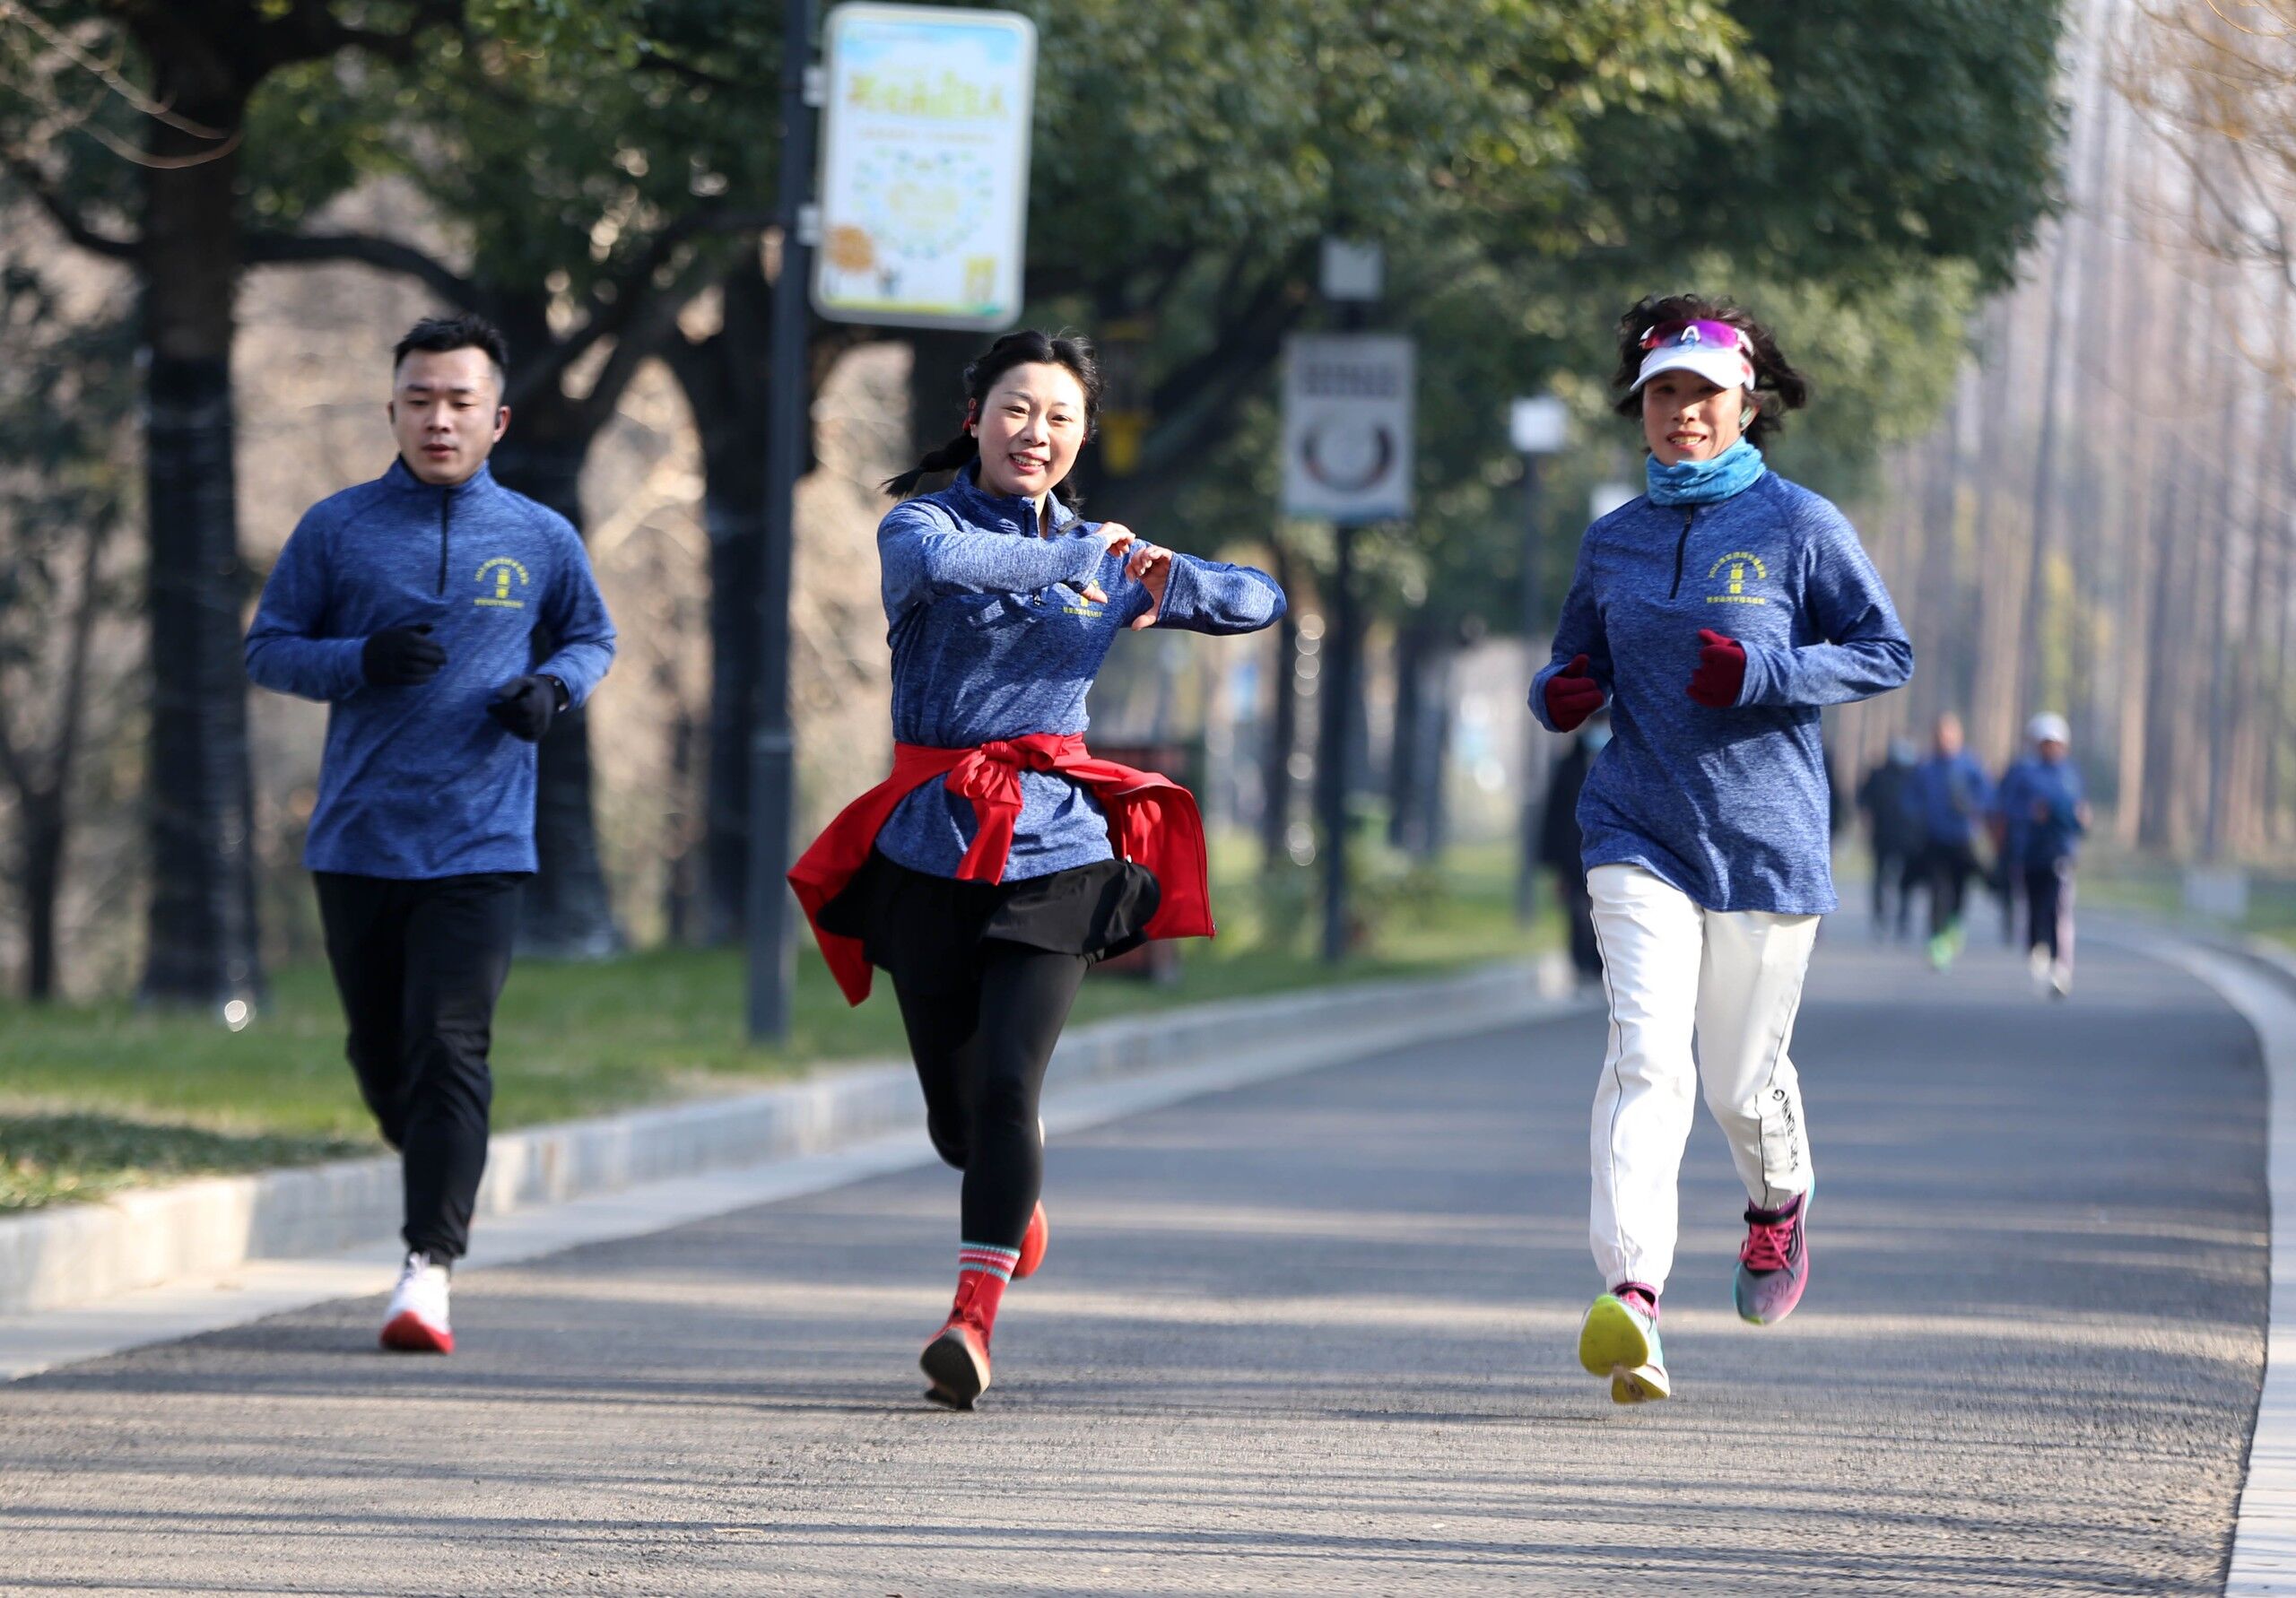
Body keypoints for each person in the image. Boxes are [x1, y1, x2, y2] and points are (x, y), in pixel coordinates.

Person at [788, 329, 1284, 1411]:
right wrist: (1081, 558)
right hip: (928, 842)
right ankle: (1007, 1196)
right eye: (1018, 409)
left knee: (1012, 1085)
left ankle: (970, 1320)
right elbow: (943, 567)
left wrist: (1170, 574)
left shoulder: (1108, 557)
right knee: (958, 1121)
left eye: (1060, 417)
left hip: (1056, 848)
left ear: (1082, 436)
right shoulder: (922, 526)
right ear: (975, 415)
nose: (1037, 433)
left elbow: (1259, 601)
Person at [1531, 295, 1912, 1404]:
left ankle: (1777, 1204)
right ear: (1638, 406)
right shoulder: (1614, 539)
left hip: (1765, 842)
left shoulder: (1800, 525)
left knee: (1740, 1083)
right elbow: (1569, 663)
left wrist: (1767, 675)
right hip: (1635, 827)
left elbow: (1883, 652)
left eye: (1703, 392)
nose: (1682, 412)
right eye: (1663, 393)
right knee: (1647, 1059)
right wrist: (1559, 692)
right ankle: (1633, 1297)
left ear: (1747, 400)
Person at [244, 314, 616, 1354]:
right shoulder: (338, 528)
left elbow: (593, 635)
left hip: (482, 844)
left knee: (451, 1045)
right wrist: (359, 660)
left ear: (495, 420)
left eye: (459, 402)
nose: (439, 419)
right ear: (393, 410)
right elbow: (268, 650)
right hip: (358, 838)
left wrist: (553, 690)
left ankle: (426, 1270)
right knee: (383, 1054)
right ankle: (444, 1168)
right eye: (420, 400)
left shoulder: (540, 536)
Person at [1996, 711, 2087, 997]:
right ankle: (2037, 948)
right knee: (2034, 906)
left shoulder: (2070, 774)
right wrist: (2031, 814)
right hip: (2029, 852)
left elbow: (2077, 813)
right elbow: (2005, 807)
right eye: (2045, 742)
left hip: (2059, 853)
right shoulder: (2023, 773)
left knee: (2058, 909)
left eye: (2055, 742)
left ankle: (2062, 968)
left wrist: (2081, 820)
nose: (2051, 747)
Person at [1905, 713, 1993, 971]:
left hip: (1963, 840)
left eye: (1949, 735)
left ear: (1959, 737)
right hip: (1935, 839)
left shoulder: (1970, 766)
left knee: (1960, 890)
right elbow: (1910, 798)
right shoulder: (1926, 768)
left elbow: (1988, 796)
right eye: (1940, 735)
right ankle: (1936, 942)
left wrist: (1972, 806)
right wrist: (1915, 816)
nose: (1944, 740)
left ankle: (1954, 926)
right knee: (1937, 891)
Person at [1537, 714, 1609, 986]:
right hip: (1574, 858)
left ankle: (1602, 968)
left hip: (1611, 853)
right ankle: (1583, 969)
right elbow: (1554, 815)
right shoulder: (1570, 764)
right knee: (1579, 917)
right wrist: (1553, 863)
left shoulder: (1623, 762)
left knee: (1608, 916)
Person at [1857, 739, 1921, 940]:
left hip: (1905, 836)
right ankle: (1882, 917)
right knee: (1881, 879)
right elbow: (1863, 801)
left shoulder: (1915, 775)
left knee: (1904, 881)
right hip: (1885, 835)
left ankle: (1901, 917)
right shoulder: (1879, 775)